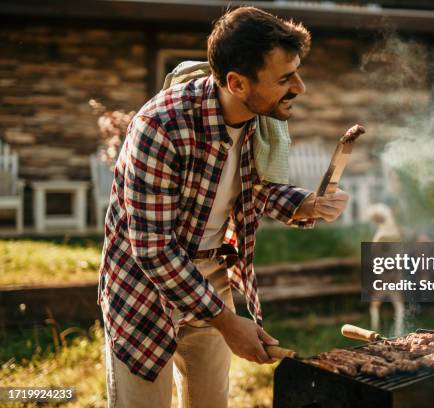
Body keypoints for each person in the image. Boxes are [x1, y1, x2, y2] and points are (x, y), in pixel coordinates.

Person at [97, 6, 351, 408]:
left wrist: (307, 204)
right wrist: (228, 322)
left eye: (296, 72)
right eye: (285, 78)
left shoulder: (261, 119)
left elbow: (253, 189)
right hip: (144, 285)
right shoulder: (160, 127)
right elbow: (154, 249)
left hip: (211, 277)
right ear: (236, 82)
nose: (299, 87)